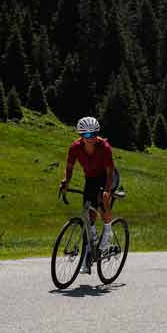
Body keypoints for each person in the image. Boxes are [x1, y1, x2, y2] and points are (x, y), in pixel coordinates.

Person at [59, 116, 117, 272]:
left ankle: (108, 232)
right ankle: (90, 249)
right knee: (88, 213)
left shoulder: (104, 147)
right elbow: (69, 168)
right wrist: (65, 182)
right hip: (91, 179)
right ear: (80, 135)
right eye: (86, 135)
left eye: (93, 134)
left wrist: (107, 190)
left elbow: (110, 171)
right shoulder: (75, 148)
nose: (90, 138)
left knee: (102, 204)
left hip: (107, 177)